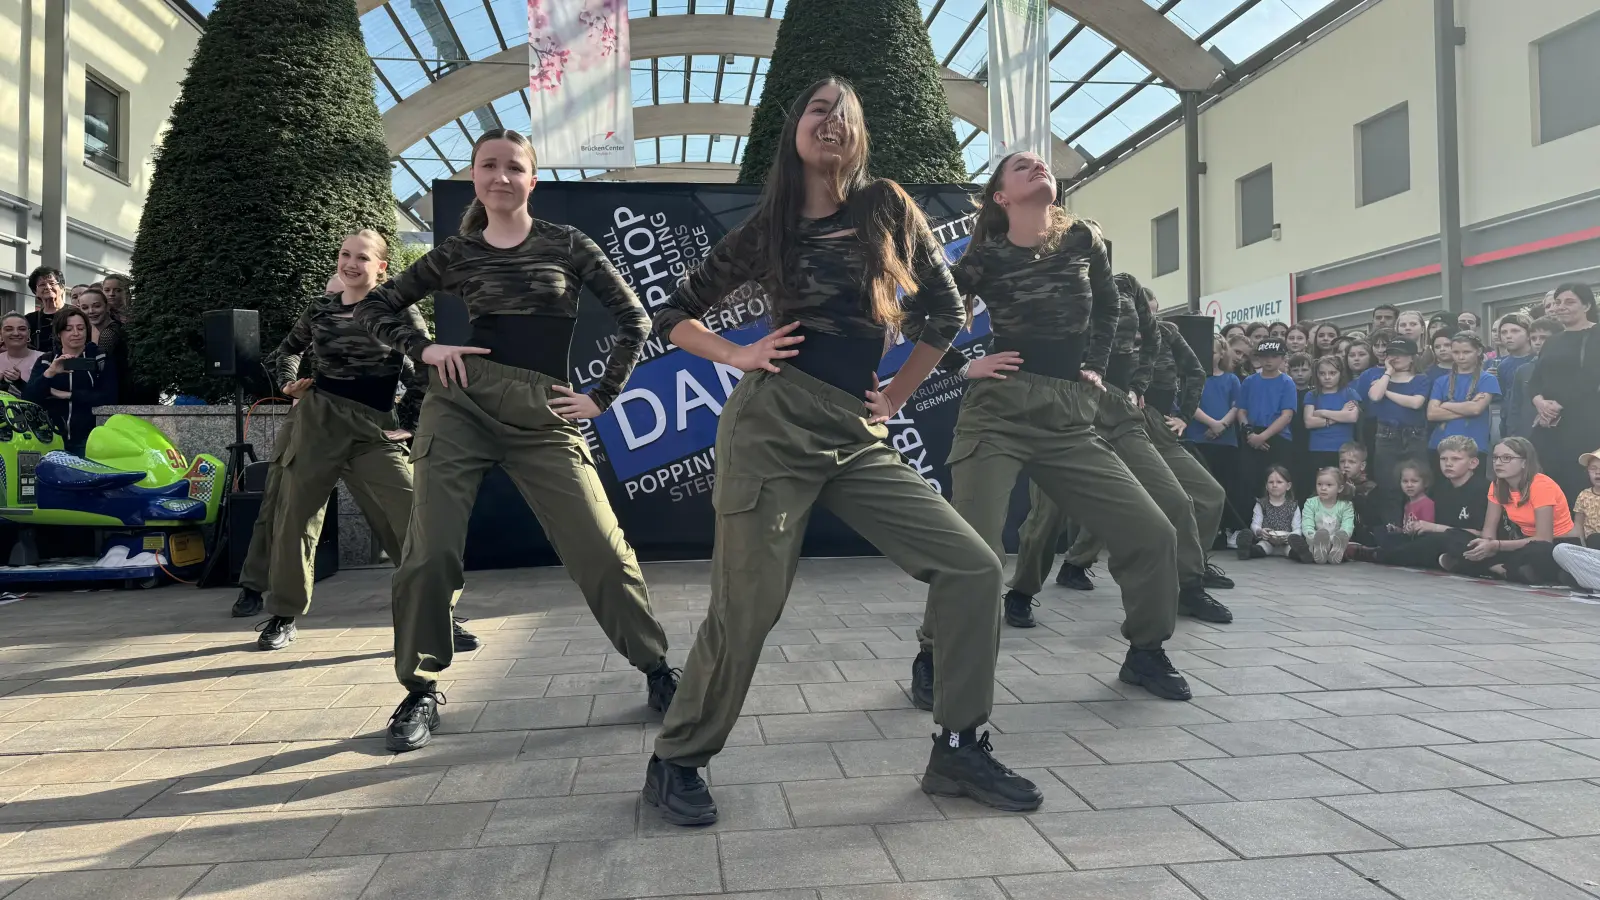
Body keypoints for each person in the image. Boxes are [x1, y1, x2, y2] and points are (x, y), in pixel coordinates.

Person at [643, 81, 1041, 824]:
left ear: (859, 136)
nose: (832, 120)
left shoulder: (886, 205)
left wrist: (896, 396)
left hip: (855, 434)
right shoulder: (769, 228)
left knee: (974, 566)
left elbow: (946, 310)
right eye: (819, 109)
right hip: (772, 425)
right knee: (747, 609)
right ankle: (677, 759)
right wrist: (737, 352)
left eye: (846, 112)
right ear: (794, 129)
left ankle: (959, 746)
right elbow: (671, 313)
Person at [355, 128, 676, 753]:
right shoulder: (458, 251)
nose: (500, 177)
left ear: (533, 179)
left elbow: (635, 318)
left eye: (513, 167)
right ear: (475, 177)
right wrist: (424, 348)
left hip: (542, 408)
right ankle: (420, 689)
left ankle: (657, 667)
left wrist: (601, 396)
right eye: (488, 166)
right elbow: (376, 306)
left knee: (601, 549)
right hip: (461, 403)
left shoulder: (568, 244)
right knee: (429, 552)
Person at [249, 231, 437, 653]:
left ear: (381, 267)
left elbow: (426, 363)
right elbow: (287, 351)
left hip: (375, 429)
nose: (351, 264)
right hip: (319, 422)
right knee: (295, 518)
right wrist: (288, 384)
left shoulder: (398, 309)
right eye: (345, 254)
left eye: (362, 258)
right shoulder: (319, 308)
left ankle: (436, 611)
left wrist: (410, 421)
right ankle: (283, 615)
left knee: (411, 512)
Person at [1440, 437, 1574, 583]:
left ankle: (1485, 567)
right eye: (1495, 458)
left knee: (1537, 552)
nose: (1498, 463)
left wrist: (1497, 546)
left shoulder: (1541, 485)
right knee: (1456, 536)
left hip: (1555, 544)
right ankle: (1503, 569)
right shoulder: (1497, 485)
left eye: (1506, 458)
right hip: (1521, 541)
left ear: (1524, 462)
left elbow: (1544, 538)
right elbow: (1488, 532)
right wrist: (1485, 546)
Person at [1355, 436, 1486, 568]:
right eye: (1443, 459)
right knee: (1393, 536)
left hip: (1464, 542)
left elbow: (1480, 534)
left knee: (1438, 540)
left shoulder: (1482, 490)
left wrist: (1434, 528)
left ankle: (1377, 555)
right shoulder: (1442, 488)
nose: (1448, 464)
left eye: (1455, 459)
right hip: (1437, 538)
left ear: (1473, 463)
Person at [1528, 283, 1600, 502]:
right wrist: (1540, 403)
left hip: (1584, 423)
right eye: (1558, 302)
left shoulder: (1596, 334)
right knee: (1547, 482)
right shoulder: (1552, 340)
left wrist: (1558, 405)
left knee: (1579, 483)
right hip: (1549, 425)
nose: (1561, 307)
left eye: (1569, 302)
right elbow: (1535, 380)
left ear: (1586, 305)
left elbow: (1592, 377)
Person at [23, 306, 116, 456]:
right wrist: (50, 373)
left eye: (81, 328)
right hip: (51, 438)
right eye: (68, 329)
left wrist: (69, 395)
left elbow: (109, 397)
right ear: (59, 333)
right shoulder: (46, 360)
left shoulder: (100, 359)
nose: (76, 333)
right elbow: (29, 398)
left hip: (89, 440)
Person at [1190, 335, 1246, 539]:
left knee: (1224, 485)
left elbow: (1237, 406)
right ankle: (1203, 530)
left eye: (1212, 352)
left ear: (1222, 353)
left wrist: (1221, 425)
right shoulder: (1193, 378)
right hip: (1198, 439)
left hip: (1225, 441)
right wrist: (1212, 424)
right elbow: (1189, 404)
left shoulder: (1231, 379)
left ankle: (1224, 529)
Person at [1368, 337, 1431, 511]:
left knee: (1418, 485)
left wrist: (1387, 393)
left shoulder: (1421, 379)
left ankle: (1417, 523)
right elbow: (1375, 396)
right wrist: (1388, 373)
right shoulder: (1380, 377)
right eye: (1392, 354)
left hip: (1414, 436)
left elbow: (1416, 403)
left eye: (1400, 354)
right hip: (1386, 436)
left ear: (1412, 358)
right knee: (1388, 486)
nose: (1395, 357)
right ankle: (1392, 525)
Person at [1427, 331, 1498, 468]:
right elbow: (1432, 414)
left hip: (1473, 446)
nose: (1460, 357)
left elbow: (1476, 409)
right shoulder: (1441, 381)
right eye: (1456, 352)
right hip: (1440, 445)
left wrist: (1446, 404)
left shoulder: (1487, 379)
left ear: (1478, 351)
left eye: (1466, 352)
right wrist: (1467, 407)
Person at [1238, 339, 1297, 502]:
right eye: (1264, 356)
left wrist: (1262, 437)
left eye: (1274, 356)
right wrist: (1250, 433)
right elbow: (1241, 411)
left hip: (1278, 437)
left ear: (1283, 358)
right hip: (1251, 434)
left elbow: (1287, 415)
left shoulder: (1287, 382)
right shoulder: (1249, 381)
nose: (1268, 360)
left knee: (1277, 483)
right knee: (1250, 482)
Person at [1506, 317, 1563, 440]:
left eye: (1543, 338)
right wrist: (1512, 433)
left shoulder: (1570, 367)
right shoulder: (1523, 370)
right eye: (1533, 338)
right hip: (1527, 434)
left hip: (1560, 433)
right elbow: (1514, 407)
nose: (1537, 342)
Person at [1304, 356, 1360, 475]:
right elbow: (1309, 422)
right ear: (1317, 375)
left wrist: (1322, 413)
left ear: (1340, 373)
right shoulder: (1312, 395)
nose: (1327, 377)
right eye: (1322, 373)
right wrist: (1341, 415)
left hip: (1343, 449)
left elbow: (1352, 417)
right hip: (1318, 448)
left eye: (1332, 373)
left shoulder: (1349, 393)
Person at [1290, 467, 1355, 564]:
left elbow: (1347, 527)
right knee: (1301, 542)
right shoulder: (1311, 503)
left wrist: (1332, 540)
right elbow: (1307, 525)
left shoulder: (1346, 505)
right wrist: (1315, 537)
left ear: (1340, 488)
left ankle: (1334, 553)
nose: (1323, 488)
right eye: (1319, 484)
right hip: (1315, 541)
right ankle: (1318, 552)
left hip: (1336, 542)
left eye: (1329, 485)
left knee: (1351, 546)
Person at [1238, 466, 1299, 559]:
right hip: (1267, 541)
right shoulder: (1261, 504)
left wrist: (1290, 536)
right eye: (1271, 482)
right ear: (1266, 486)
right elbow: (1255, 524)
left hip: (1286, 543)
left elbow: (1298, 528)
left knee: (1293, 550)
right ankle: (1246, 550)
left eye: (1279, 482)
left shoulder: (1293, 506)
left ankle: (1301, 554)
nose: (1274, 485)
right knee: (1261, 547)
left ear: (1288, 486)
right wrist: (1260, 531)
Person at [1492, 313, 1535, 436]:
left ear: (1528, 334)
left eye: (1515, 331)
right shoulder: (1503, 365)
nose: (1508, 336)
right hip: (1510, 426)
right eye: (1504, 332)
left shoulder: (1538, 360)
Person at [76, 287, 128, 386]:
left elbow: (99, 367)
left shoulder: (110, 332)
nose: (91, 311)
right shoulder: (103, 329)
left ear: (107, 307)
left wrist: (66, 363)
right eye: (85, 308)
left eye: (96, 306)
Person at [0, 313, 43, 398]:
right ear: (1, 334)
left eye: (22, 329)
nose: (16, 333)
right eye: (9, 329)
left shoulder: (44, 359)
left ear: (29, 333)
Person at [24, 266, 64, 352]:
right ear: (35, 292)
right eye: (42, 285)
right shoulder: (29, 320)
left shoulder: (75, 314)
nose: (48, 287)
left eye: (52, 283)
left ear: (62, 288)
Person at [1570, 448, 1600, 550]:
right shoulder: (1584, 495)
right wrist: (1583, 548)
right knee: (1560, 549)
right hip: (1591, 548)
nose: (1598, 472)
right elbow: (1578, 524)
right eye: (1593, 468)